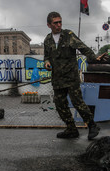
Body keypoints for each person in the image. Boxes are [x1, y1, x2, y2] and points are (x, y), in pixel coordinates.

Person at [44, 11, 102, 140]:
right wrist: (46, 62)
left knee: (77, 102)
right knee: (60, 104)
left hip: (71, 77)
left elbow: (83, 48)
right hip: (57, 78)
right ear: (49, 25)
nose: (59, 25)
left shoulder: (68, 35)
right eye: (55, 23)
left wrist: (94, 57)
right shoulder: (47, 40)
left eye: (60, 22)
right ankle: (71, 129)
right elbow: (46, 56)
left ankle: (92, 126)